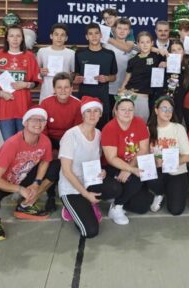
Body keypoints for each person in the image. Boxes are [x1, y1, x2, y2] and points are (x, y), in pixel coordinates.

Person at [0, 107, 60, 242]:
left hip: (22, 176)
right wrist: (20, 189)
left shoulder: (45, 141)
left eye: (42, 120)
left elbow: (45, 161)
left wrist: (36, 183)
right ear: (25, 123)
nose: (38, 123)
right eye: (34, 120)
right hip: (2, 183)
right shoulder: (12, 144)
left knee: (56, 166)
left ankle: (25, 205)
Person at [59, 97, 123, 238]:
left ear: (100, 114)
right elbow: (66, 172)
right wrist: (86, 194)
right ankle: (70, 207)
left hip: (90, 181)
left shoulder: (99, 134)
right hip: (71, 187)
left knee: (115, 188)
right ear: (82, 114)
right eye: (88, 111)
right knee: (90, 231)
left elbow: (95, 160)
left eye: (96, 111)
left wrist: (102, 171)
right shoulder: (71, 135)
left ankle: (88, 202)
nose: (92, 114)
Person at [101, 97, 154, 224]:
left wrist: (129, 169)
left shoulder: (139, 123)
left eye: (130, 109)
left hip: (133, 164)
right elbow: (111, 158)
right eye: (123, 109)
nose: (127, 112)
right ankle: (116, 206)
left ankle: (119, 196)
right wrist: (130, 169)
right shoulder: (109, 128)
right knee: (136, 177)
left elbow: (144, 149)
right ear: (116, 111)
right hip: (113, 166)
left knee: (142, 207)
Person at [0, 26, 41, 140]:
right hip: (4, 108)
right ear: (7, 38)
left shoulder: (29, 56)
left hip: (23, 108)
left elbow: (36, 82)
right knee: (9, 143)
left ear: (22, 38)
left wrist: (26, 84)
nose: (15, 39)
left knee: (23, 142)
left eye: (18, 36)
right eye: (11, 36)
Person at [39, 72, 83, 211]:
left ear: (72, 88)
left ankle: (71, 193)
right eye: (59, 87)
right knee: (50, 164)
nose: (63, 90)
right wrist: (50, 150)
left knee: (66, 163)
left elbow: (77, 131)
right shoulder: (45, 103)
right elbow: (42, 129)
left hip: (69, 141)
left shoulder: (78, 104)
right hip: (50, 141)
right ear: (54, 89)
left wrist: (64, 151)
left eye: (66, 87)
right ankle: (50, 195)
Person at [146, 96, 189, 215]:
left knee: (176, 210)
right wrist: (154, 161)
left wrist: (170, 162)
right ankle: (159, 193)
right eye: (164, 108)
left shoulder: (178, 128)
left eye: (170, 109)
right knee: (148, 175)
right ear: (156, 110)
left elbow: (187, 156)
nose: (167, 112)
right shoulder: (148, 129)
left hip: (176, 171)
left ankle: (171, 190)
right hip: (157, 172)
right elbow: (143, 156)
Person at [74, 23, 118, 128]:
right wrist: (76, 79)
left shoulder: (109, 54)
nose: (94, 36)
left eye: (96, 33)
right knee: (84, 128)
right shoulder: (79, 53)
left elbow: (114, 76)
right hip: (84, 97)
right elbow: (75, 75)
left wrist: (106, 78)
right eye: (90, 34)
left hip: (103, 98)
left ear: (101, 35)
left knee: (102, 128)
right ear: (86, 37)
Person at [118, 31, 165, 121]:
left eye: (147, 42)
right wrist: (121, 93)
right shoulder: (133, 60)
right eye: (142, 42)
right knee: (125, 122)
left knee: (141, 123)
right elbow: (127, 78)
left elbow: (168, 57)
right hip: (128, 94)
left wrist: (159, 52)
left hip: (143, 97)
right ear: (138, 44)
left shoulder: (157, 56)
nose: (145, 45)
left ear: (152, 43)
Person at [37, 23, 75, 102]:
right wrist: (40, 72)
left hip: (64, 93)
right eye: (56, 34)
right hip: (46, 91)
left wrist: (69, 77)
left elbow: (73, 73)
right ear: (51, 36)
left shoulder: (71, 53)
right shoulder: (42, 51)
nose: (59, 38)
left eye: (62, 35)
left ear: (66, 38)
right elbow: (36, 72)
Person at [104, 18, 134, 117]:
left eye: (125, 29)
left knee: (123, 118)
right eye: (119, 28)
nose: (122, 31)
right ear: (114, 29)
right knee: (108, 118)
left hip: (125, 91)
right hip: (108, 89)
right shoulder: (105, 46)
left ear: (129, 32)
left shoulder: (134, 49)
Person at [165, 40, 189, 123]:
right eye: (173, 50)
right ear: (170, 53)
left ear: (183, 51)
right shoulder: (165, 66)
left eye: (179, 49)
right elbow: (169, 91)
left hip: (185, 106)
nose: (177, 52)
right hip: (168, 104)